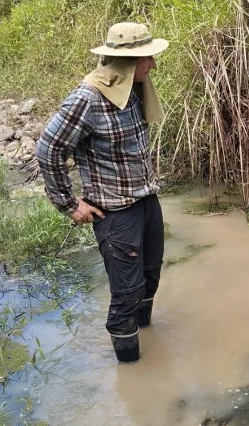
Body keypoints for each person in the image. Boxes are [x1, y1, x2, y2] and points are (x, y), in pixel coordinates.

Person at [35, 22, 168, 363]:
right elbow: (49, 148)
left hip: (145, 199)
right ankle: (134, 374)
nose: (152, 65)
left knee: (149, 276)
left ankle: (146, 338)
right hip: (115, 212)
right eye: (147, 59)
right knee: (125, 295)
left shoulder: (133, 89)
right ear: (127, 62)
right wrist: (69, 204)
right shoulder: (88, 99)